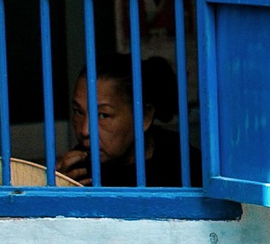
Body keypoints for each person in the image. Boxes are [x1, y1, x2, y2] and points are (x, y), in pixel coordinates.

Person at [62, 58, 187, 187]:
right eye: (78, 112)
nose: (85, 130)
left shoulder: (185, 164)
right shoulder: (74, 171)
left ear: (144, 117)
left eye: (103, 115)